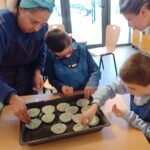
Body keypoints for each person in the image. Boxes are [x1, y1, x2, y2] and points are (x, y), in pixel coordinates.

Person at [0, 0, 54, 123]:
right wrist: (11, 97)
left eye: (42, 23)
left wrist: (37, 71)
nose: (37, 29)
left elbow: (41, 50)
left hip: (26, 78)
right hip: (3, 81)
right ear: (21, 9)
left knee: (28, 118)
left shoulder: (41, 27)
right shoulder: (2, 27)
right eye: (34, 21)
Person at [81, 52, 150, 142]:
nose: (128, 90)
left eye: (132, 89)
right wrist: (94, 106)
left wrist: (129, 117)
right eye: (126, 86)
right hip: (136, 132)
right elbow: (109, 88)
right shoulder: (135, 82)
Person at [44, 29, 101, 99]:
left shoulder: (82, 50)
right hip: (66, 96)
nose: (67, 56)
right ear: (51, 51)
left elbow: (95, 70)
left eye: (69, 52)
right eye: (61, 56)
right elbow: (52, 79)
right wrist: (62, 86)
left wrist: (91, 84)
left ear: (70, 39)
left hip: (86, 92)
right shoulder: (50, 57)